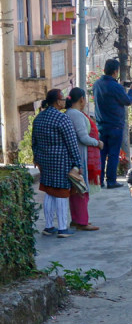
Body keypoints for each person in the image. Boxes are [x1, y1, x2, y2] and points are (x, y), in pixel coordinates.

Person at [32, 89, 82, 238]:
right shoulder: (62, 119)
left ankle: (48, 227)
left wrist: (37, 158)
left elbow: (33, 142)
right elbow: (72, 144)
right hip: (61, 161)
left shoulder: (38, 118)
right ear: (56, 101)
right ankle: (62, 228)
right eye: (62, 100)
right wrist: (77, 163)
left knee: (49, 192)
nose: (63, 102)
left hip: (44, 161)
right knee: (61, 193)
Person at [93, 59, 132, 188]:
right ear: (115, 71)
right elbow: (127, 101)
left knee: (102, 154)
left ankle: (99, 181)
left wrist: (120, 86)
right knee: (113, 154)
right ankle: (111, 181)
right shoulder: (115, 87)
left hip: (101, 125)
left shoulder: (97, 84)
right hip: (115, 126)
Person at [64, 87, 103, 231]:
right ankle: (81, 222)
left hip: (77, 154)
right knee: (81, 188)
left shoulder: (71, 113)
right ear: (81, 99)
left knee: (77, 189)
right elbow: (83, 137)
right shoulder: (76, 115)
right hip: (80, 155)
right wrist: (97, 143)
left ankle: (78, 220)